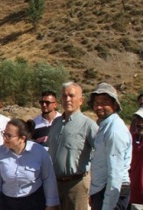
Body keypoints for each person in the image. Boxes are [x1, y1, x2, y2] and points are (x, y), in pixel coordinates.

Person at [0, 119, 59, 210]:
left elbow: (48, 179)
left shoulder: (39, 152)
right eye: (4, 134)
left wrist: (51, 204)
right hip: (7, 203)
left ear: (22, 138)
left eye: (9, 136)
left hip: (34, 202)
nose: (4, 138)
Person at [47, 82, 97, 210]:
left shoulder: (88, 125)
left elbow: (100, 153)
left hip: (76, 185)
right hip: (55, 184)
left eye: (71, 96)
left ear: (81, 100)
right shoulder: (56, 123)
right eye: (64, 96)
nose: (67, 99)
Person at [88, 83, 131, 210]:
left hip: (112, 191)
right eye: (96, 102)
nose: (99, 106)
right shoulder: (104, 127)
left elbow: (115, 173)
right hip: (103, 189)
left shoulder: (114, 131)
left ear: (115, 105)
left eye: (104, 102)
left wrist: (107, 206)